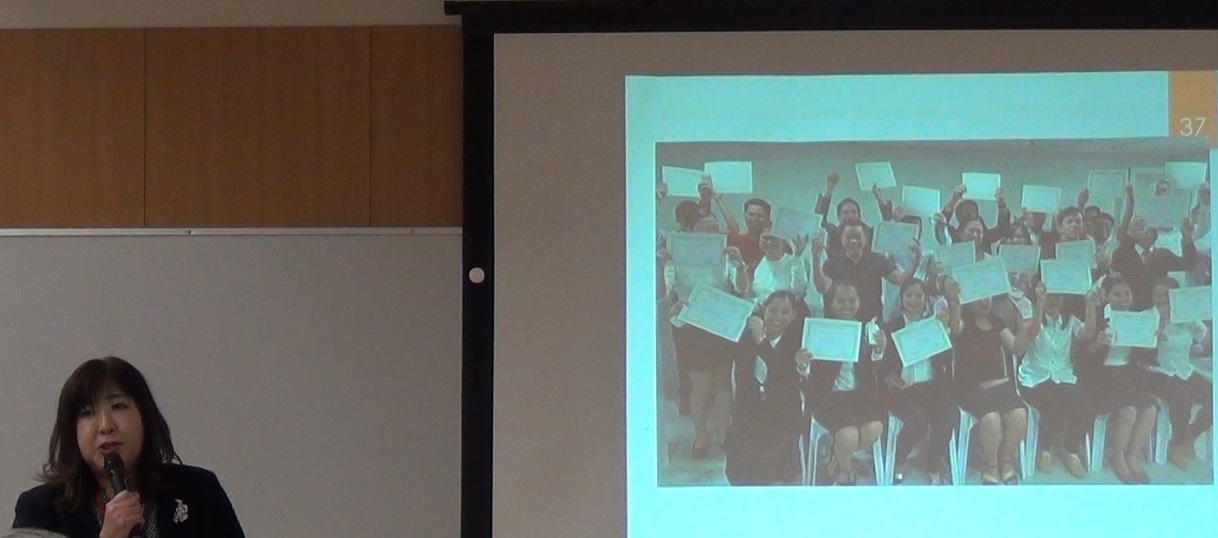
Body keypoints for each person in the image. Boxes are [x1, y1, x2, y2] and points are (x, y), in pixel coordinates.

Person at [12, 356, 245, 538]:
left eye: (118, 406)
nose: (106, 426)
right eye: (88, 413)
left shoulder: (199, 490)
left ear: (145, 417)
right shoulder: (40, 510)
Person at [945, 280, 1031, 485]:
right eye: (979, 298)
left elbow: (1017, 349)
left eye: (988, 298)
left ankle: (1006, 460)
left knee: (1019, 415)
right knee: (991, 419)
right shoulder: (964, 321)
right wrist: (954, 301)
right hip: (971, 389)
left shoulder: (997, 322)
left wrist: (1022, 329)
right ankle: (991, 465)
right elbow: (954, 330)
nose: (984, 302)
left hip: (1000, 386)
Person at [804, 280, 887, 485]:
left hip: (860, 396)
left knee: (875, 428)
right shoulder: (820, 330)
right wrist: (803, 364)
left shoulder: (867, 329)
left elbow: (876, 371)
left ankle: (836, 458)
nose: (846, 306)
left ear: (859, 302)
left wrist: (878, 351)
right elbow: (809, 374)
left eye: (852, 300)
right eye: (840, 301)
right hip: (829, 398)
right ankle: (846, 471)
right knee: (848, 436)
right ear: (831, 303)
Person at [725, 291, 811, 485]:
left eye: (784, 312)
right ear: (764, 310)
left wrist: (762, 342)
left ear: (793, 316)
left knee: (783, 466)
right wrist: (680, 318)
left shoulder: (798, 341)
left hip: (782, 414)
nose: (777, 317)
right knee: (740, 468)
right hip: (748, 411)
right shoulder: (745, 334)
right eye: (773, 310)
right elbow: (720, 343)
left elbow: (782, 372)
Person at [1017, 282, 1100, 480]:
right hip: (1034, 378)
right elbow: (1032, 334)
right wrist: (1039, 303)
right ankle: (1045, 448)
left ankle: (1069, 448)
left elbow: (1088, 333)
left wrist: (1090, 305)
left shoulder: (1069, 320)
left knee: (1087, 407)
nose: (1054, 301)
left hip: (1063, 377)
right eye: (1050, 296)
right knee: (1056, 405)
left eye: (1058, 296)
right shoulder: (1031, 317)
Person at [1080, 275, 1159, 484]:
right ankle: (1117, 458)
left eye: (1127, 294)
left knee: (1151, 408)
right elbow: (1082, 359)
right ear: (1106, 296)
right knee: (1129, 409)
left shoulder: (1137, 319)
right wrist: (1098, 343)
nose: (1123, 299)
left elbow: (1143, 358)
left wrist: (1152, 339)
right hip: (1100, 380)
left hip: (1127, 376)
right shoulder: (1098, 318)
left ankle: (1132, 456)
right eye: (1117, 295)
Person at [877, 278, 956, 485]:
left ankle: (933, 463)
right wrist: (891, 378)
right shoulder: (890, 328)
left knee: (947, 416)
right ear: (901, 298)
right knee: (917, 420)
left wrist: (943, 333)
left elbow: (946, 359)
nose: (913, 300)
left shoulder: (933, 324)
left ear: (926, 299)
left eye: (919, 295)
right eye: (909, 295)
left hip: (932, 387)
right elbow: (883, 367)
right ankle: (899, 459)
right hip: (904, 390)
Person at [1133, 278, 1212, 470]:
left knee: (1213, 395)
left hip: (1183, 369)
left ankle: (1190, 435)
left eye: (1166, 295)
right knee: (1182, 399)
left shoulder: (1188, 317)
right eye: (1157, 295)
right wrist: (1152, 337)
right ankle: (1176, 446)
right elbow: (1136, 354)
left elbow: (1204, 345)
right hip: (1154, 371)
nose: (1161, 299)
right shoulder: (1146, 317)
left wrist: (1208, 324)